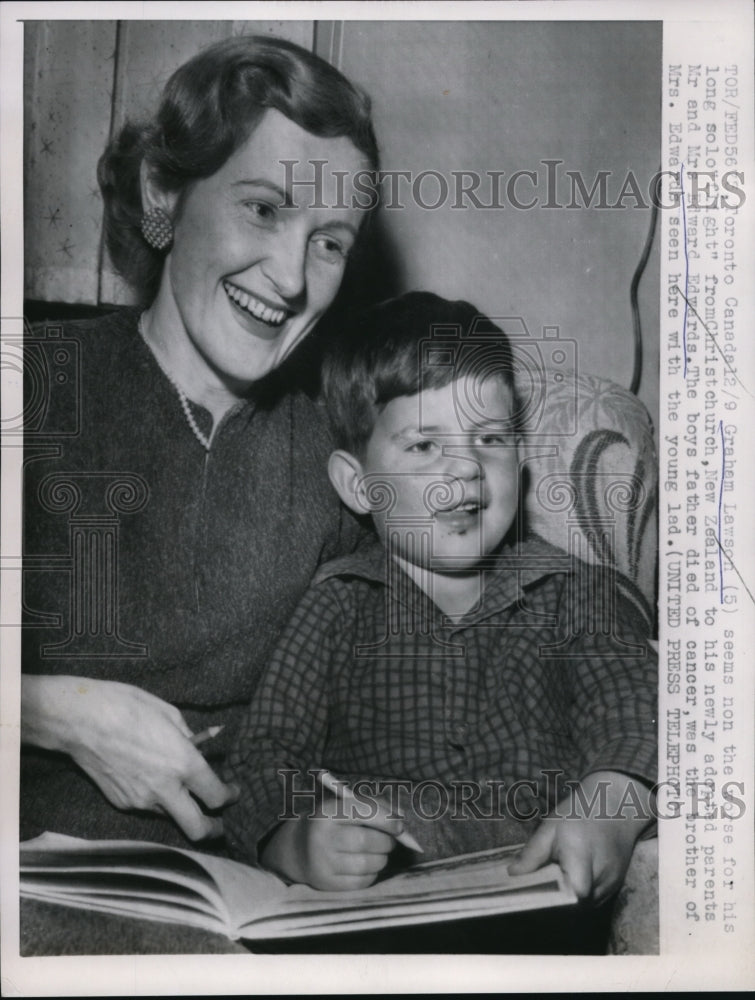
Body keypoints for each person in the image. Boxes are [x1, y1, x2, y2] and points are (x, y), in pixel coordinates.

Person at [21, 34, 379, 849]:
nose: (290, 279)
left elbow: (518, 608)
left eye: (329, 242)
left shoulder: (336, 447)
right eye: (262, 208)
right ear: (163, 194)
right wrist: (53, 712)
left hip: (242, 889)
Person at [225, 292, 658, 910]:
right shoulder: (337, 605)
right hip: (377, 905)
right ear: (359, 485)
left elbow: (636, 709)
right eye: (425, 446)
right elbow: (261, 757)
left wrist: (608, 810)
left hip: (537, 892)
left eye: (489, 438)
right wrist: (296, 840)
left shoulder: (572, 594)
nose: (466, 470)